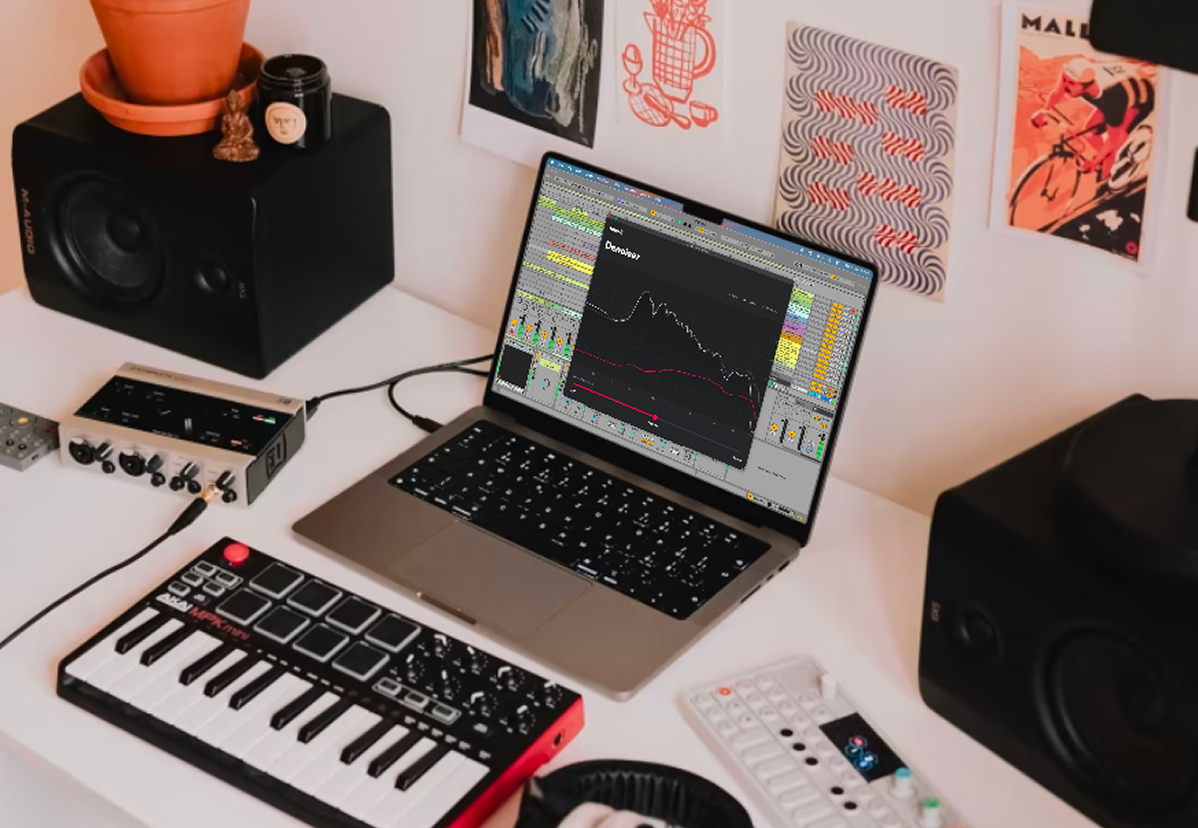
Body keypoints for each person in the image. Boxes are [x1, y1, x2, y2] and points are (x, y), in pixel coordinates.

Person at [1031, 58, 1154, 182]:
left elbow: (1113, 141)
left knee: (1114, 144)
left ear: (1087, 86)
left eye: (1072, 83)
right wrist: (1044, 111)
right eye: (1065, 79)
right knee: (1090, 130)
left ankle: (1106, 180)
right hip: (1123, 83)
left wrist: (1096, 161)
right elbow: (1057, 93)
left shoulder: (1111, 96)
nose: (1066, 85)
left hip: (1140, 98)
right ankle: (1102, 159)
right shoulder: (1073, 77)